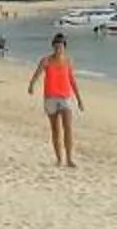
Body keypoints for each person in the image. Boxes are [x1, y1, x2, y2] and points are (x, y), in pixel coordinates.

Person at [24, 33, 81, 166]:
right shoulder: (46, 61)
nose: (58, 49)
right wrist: (31, 85)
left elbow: (72, 80)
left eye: (60, 46)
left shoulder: (68, 61)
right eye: (56, 46)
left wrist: (79, 99)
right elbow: (37, 73)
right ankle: (59, 159)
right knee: (55, 129)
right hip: (50, 98)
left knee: (68, 128)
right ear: (53, 47)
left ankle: (69, 158)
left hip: (65, 98)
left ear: (64, 47)